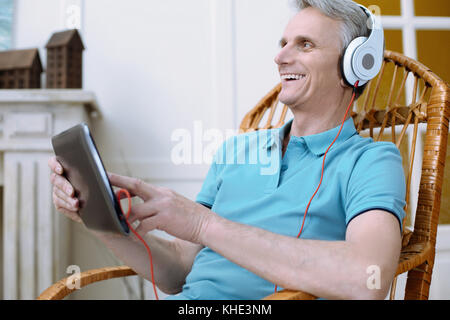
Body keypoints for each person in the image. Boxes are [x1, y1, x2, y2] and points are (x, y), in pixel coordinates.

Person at [48, 0, 406, 300]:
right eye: (283, 42)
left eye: (305, 44)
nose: (281, 56)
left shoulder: (372, 161)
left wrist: (204, 224)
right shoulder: (236, 151)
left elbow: (367, 277)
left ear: (355, 67)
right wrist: (97, 218)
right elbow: (178, 271)